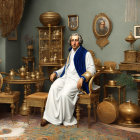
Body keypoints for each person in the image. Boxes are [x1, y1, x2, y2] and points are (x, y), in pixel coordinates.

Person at [41, 33, 96, 127]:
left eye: (76, 40)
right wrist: (56, 73)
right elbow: (66, 67)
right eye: (72, 40)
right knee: (53, 87)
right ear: (70, 42)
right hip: (65, 77)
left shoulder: (85, 53)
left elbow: (92, 69)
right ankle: (48, 117)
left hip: (76, 80)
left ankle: (64, 119)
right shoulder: (71, 52)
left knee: (64, 95)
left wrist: (83, 78)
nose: (74, 43)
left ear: (80, 42)